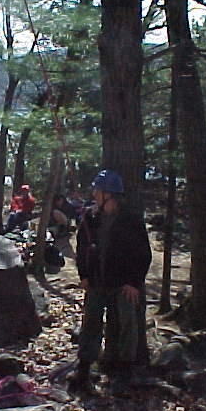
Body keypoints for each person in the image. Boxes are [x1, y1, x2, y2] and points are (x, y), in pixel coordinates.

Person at [70, 169, 151, 395]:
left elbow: (143, 253)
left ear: (109, 194)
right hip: (97, 280)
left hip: (123, 284)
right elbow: (82, 248)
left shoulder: (131, 219)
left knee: (126, 325)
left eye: (98, 190)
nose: (94, 193)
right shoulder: (91, 218)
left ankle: (124, 372)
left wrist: (134, 282)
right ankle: (84, 369)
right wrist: (84, 275)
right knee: (90, 323)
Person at [48, 194, 75, 259]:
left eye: (59, 200)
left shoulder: (68, 207)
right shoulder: (53, 208)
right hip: (55, 227)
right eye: (56, 201)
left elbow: (70, 218)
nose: (58, 202)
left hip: (65, 225)